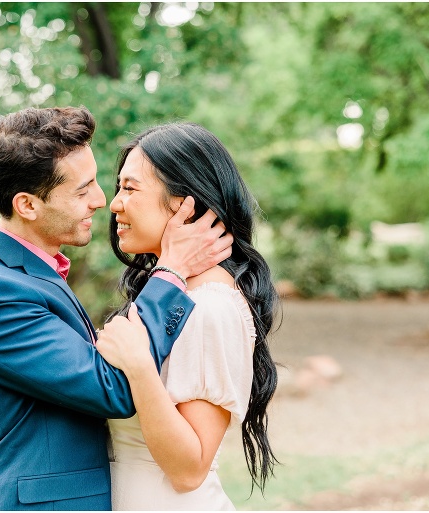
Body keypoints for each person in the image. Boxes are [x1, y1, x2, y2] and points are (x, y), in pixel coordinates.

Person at [0, 107, 234, 511]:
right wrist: (172, 270)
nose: (102, 201)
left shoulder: (33, 275)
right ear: (27, 205)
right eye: (82, 190)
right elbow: (112, 388)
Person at [95, 122, 280, 510]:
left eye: (130, 188)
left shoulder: (211, 307)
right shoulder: (176, 294)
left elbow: (189, 468)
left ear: (185, 205)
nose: (114, 204)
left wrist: (140, 367)